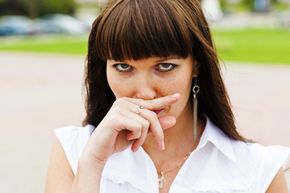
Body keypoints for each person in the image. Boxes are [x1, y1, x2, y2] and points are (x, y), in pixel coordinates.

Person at [45, 0, 290, 193]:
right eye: (123, 67)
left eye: (164, 66)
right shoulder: (75, 150)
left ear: (196, 66)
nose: (144, 91)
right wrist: (94, 161)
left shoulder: (258, 169)